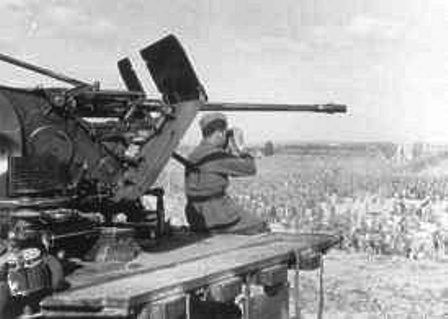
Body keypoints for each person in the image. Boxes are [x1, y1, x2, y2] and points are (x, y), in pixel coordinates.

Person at [184, 112, 268, 234]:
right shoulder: (216, 156)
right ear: (219, 133)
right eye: (224, 133)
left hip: (196, 218)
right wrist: (241, 147)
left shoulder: (195, 154)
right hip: (218, 217)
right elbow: (250, 168)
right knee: (261, 225)